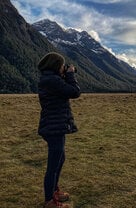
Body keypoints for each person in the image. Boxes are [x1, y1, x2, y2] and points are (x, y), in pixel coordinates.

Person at [37, 52, 81, 208]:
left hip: (54, 125)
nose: (64, 67)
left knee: (60, 159)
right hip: (54, 127)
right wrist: (70, 75)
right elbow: (74, 92)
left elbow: (64, 89)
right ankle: (50, 201)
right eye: (62, 65)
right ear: (56, 66)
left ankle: (54, 192)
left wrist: (66, 74)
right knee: (53, 165)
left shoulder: (50, 79)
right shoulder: (52, 80)